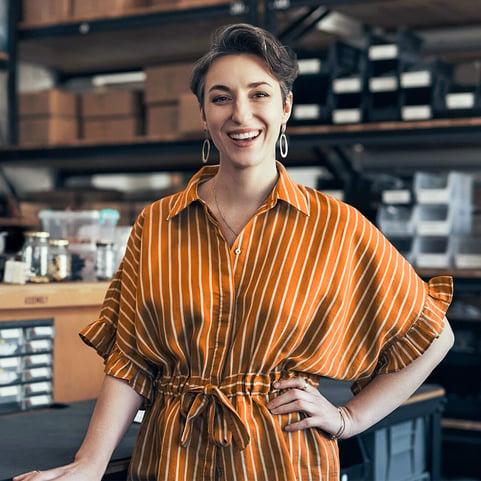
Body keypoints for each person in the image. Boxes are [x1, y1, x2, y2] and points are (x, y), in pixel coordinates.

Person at [14, 23, 454, 481]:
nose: (241, 115)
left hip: (281, 459)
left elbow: (433, 337)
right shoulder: (158, 224)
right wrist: (90, 464)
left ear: (285, 107)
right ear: (204, 115)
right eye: (221, 97)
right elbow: (131, 359)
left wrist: (350, 419)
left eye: (259, 94)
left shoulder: (335, 226)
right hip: (171, 459)